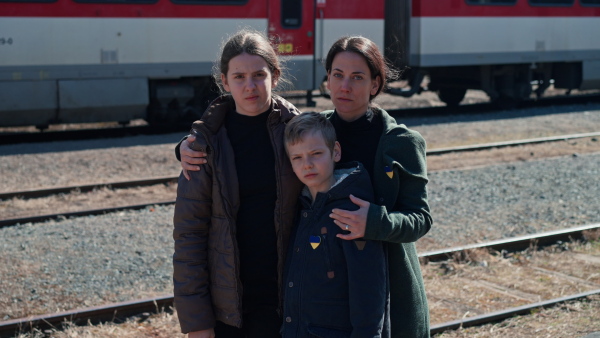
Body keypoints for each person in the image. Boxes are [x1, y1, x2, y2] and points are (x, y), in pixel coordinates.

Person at [179, 36, 433, 338]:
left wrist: (376, 221)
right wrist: (187, 146)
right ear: (327, 80)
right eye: (337, 75)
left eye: (357, 77)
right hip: (320, 297)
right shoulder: (313, 129)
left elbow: (421, 219)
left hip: (386, 286)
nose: (345, 86)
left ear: (375, 84)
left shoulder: (400, 142)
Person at [172, 29, 303, 338]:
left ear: (275, 75)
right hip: (230, 310)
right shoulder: (204, 147)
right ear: (225, 81)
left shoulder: (299, 134)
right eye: (240, 76)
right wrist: (197, 323)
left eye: (259, 75)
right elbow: (189, 238)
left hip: (291, 302)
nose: (250, 86)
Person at [281, 112, 388, 337]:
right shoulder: (300, 209)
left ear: (335, 152)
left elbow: (368, 289)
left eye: (316, 153)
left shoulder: (351, 213)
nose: (307, 164)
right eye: (297, 158)